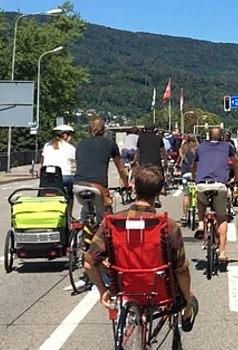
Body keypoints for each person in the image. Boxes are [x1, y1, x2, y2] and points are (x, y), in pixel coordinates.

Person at [83, 164, 198, 331]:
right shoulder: (169, 226)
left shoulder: (112, 223)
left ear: (134, 188)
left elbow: (89, 262)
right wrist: (188, 297)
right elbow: (181, 269)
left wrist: (102, 290)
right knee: (182, 284)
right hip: (160, 291)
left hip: (124, 288)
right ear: (158, 192)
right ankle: (188, 312)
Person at [191, 126, 238, 264]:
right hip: (219, 184)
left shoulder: (201, 147)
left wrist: (195, 178)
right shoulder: (227, 146)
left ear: (209, 136)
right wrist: (236, 178)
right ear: (222, 136)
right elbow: (236, 163)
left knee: (201, 201)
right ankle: (222, 253)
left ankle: (201, 224)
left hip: (201, 184)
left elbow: (194, 165)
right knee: (221, 218)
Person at [73, 117, 129, 215]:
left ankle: (84, 226)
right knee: (106, 215)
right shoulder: (110, 144)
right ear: (104, 130)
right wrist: (127, 184)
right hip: (97, 187)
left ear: (89, 130)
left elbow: (79, 166)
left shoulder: (80, 144)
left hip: (78, 185)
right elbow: (120, 168)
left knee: (86, 209)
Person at [135, 121, 169, 208]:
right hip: (155, 163)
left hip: (144, 163)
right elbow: (163, 152)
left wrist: (135, 161)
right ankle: (157, 197)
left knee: (142, 180)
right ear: (154, 129)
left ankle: (139, 198)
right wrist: (165, 162)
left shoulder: (140, 138)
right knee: (158, 180)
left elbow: (138, 152)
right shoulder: (158, 138)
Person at [39, 124, 77, 196]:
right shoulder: (71, 148)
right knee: (70, 194)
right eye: (71, 135)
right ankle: (69, 205)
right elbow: (74, 167)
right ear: (66, 135)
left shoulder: (47, 145)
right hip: (65, 176)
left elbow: (42, 161)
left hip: (48, 176)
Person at [177, 134, 199, 223]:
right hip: (196, 173)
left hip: (185, 173)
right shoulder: (198, 149)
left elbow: (179, 159)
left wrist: (176, 165)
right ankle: (196, 208)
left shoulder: (183, 148)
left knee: (186, 194)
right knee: (196, 192)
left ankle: (184, 215)